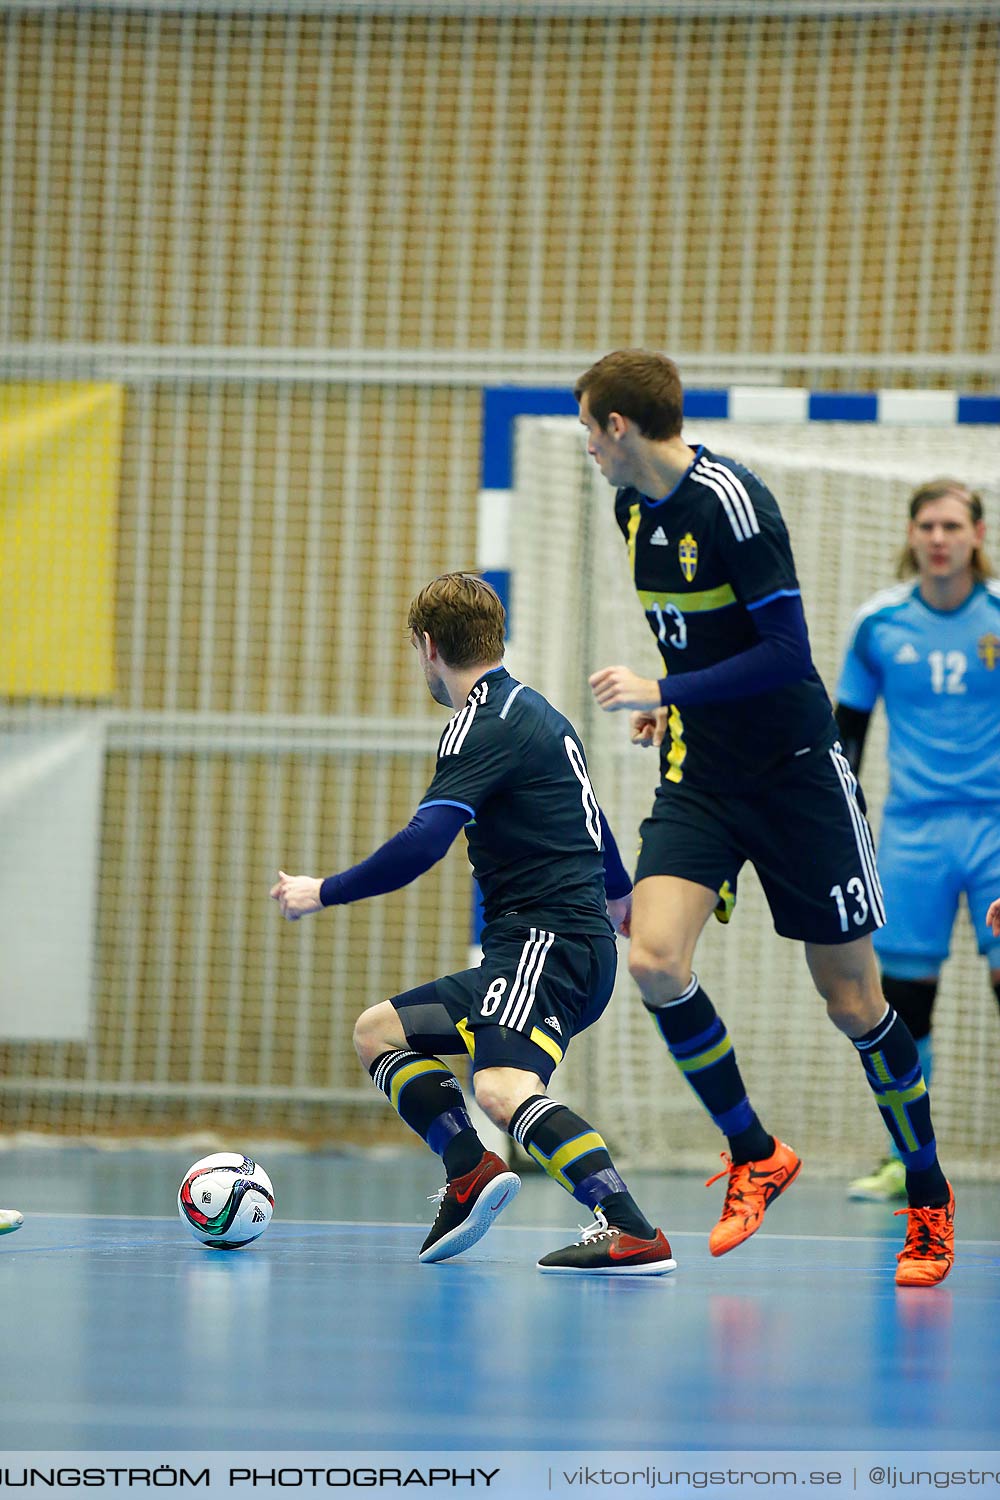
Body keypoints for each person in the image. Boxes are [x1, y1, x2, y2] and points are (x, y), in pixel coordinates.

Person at [573, 348, 954, 1288]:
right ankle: (755, 1151)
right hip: (702, 774)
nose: (585, 444)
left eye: (589, 427)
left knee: (856, 1003)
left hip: (796, 779)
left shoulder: (733, 505)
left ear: (619, 427)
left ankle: (930, 1197)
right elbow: (698, 637)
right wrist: (677, 703)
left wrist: (663, 683)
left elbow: (787, 654)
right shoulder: (631, 510)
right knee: (655, 961)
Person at [271, 571, 675, 1276]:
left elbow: (423, 843)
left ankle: (631, 1228)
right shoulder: (539, 712)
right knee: (379, 1032)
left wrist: (322, 891)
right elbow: (596, 826)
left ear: (427, 647)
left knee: (502, 1087)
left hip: (542, 943)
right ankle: (469, 1171)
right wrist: (622, 910)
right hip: (551, 946)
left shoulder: (478, 724)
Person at [834, 480, 1000, 1202]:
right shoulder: (879, 624)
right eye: (927, 525)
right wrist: (842, 835)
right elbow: (847, 737)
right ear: (910, 535)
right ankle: (911, 1157)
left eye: (952, 525)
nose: (939, 538)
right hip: (913, 831)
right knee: (903, 999)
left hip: (995, 826)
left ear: (977, 535)